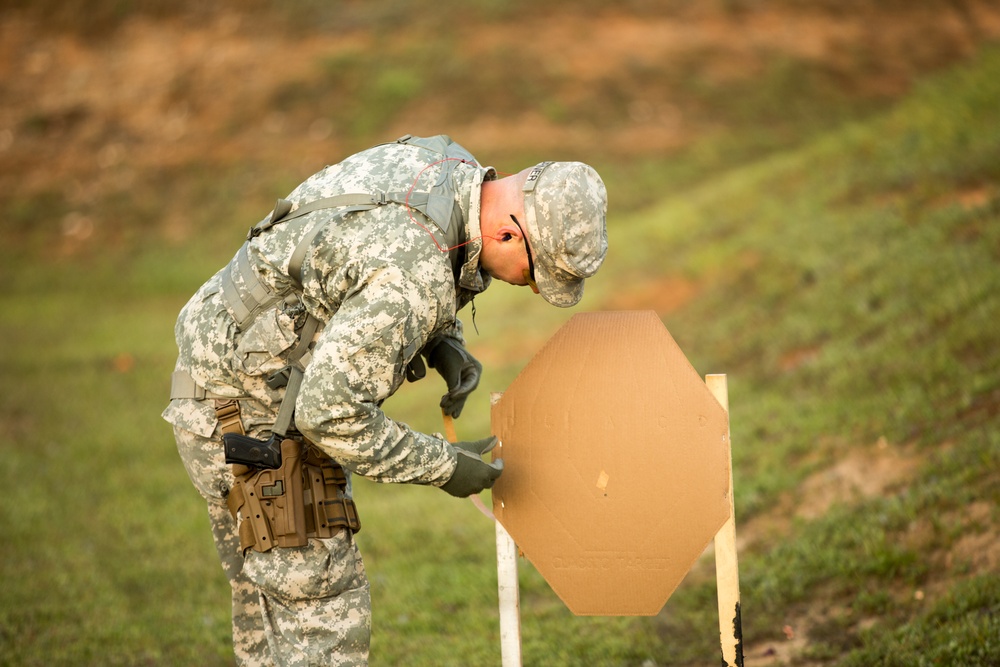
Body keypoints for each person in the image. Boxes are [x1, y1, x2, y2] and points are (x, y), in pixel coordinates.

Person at [162, 134, 608, 666]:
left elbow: (355, 263)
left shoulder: (449, 166)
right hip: (250, 417)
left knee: (270, 625)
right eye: (535, 276)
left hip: (220, 375)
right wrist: (445, 466)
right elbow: (331, 413)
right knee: (323, 626)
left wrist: (443, 342)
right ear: (510, 234)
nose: (528, 288)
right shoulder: (413, 274)